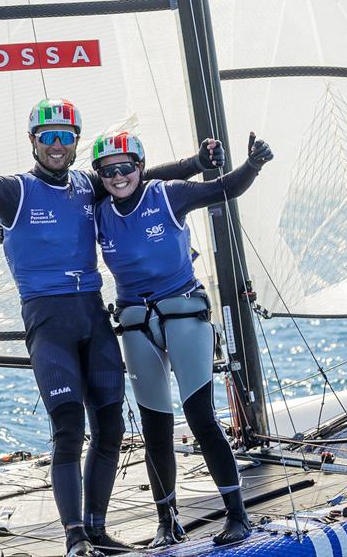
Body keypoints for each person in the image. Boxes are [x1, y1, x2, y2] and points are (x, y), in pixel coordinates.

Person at [0, 94, 224, 557]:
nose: (56, 145)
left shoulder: (91, 185)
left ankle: (97, 529)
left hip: (93, 313)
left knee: (110, 429)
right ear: (33, 141)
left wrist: (198, 162)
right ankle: (74, 539)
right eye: (48, 137)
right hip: (49, 322)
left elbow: (144, 177)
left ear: (75, 143)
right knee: (68, 429)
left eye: (65, 138)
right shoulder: (14, 191)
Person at [91, 131, 273, 548]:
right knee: (156, 428)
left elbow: (224, 188)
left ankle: (237, 516)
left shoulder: (167, 195)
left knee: (201, 417)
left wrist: (253, 165)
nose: (118, 177)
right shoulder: (98, 210)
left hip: (183, 314)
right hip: (137, 323)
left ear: (140, 166)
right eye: (108, 171)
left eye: (126, 167)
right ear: (99, 176)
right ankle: (166, 522)